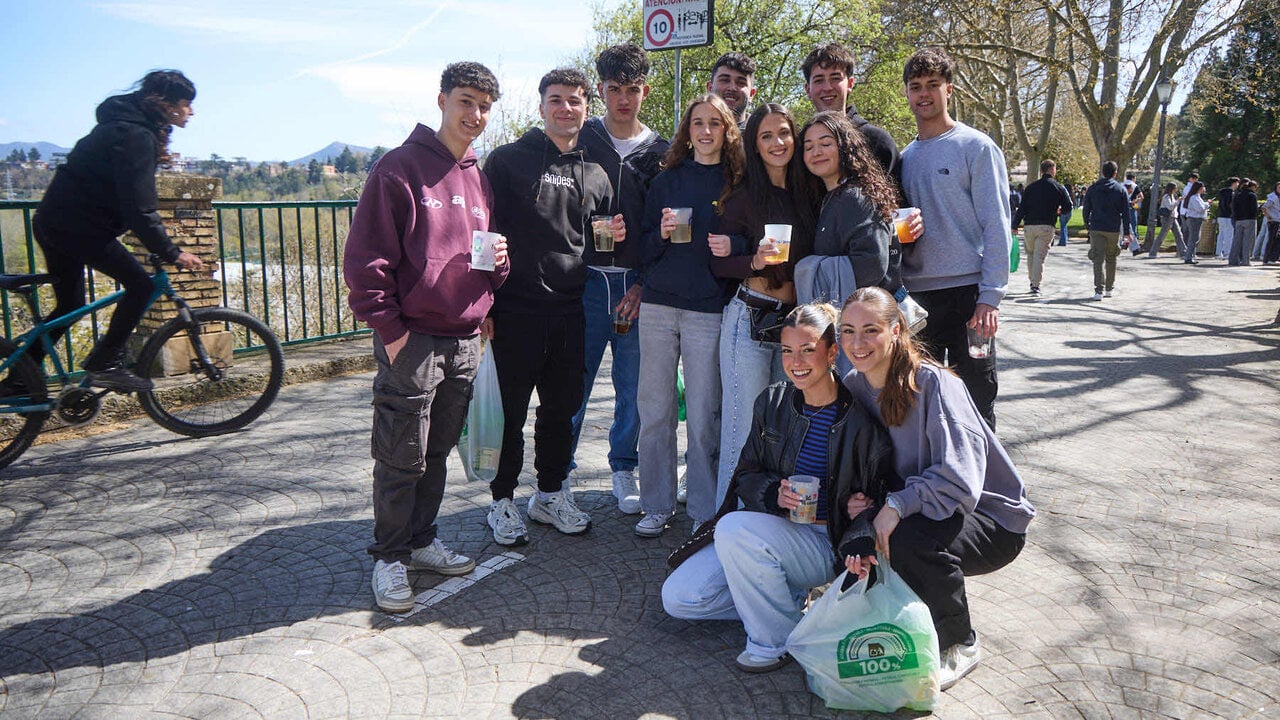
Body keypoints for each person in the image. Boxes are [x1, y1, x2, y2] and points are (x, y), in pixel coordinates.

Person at [344, 62, 508, 612]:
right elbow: (367, 259)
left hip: (464, 338)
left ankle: (420, 541)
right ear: (442, 101)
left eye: (485, 106)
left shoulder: (478, 176)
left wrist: (496, 276)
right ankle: (389, 557)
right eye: (466, 102)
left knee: (436, 452)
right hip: (411, 340)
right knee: (400, 455)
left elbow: (480, 260)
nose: (475, 115)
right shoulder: (399, 168)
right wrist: (389, 332)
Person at [662, 302, 897, 673]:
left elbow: (876, 498)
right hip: (771, 529)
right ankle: (787, 606)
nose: (796, 361)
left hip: (821, 540)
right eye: (788, 351)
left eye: (808, 349)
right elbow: (746, 474)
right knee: (680, 598)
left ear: (832, 352)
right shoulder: (773, 402)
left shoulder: (859, 424)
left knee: (734, 528)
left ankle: (772, 641)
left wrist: (860, 526)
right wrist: (773, 493)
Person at [839, 286, 1035, 691]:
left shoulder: (934, 384)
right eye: (847, 330)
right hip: (927, 508)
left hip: (990, 518)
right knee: (859, 529)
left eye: (871, 329)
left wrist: (895, 505)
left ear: (897, 330)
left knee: (906, 538)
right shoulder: (855, 386)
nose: (857, 343)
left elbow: (959, 481)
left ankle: (960, 642)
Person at [482, 68, 623, 547]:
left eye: (576, 101)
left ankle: (549, 494)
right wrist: (483, 306)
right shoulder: (506, 162)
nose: (566, 108)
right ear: (541, 106)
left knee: (561, 413)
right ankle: (502, 500)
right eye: (557, 100)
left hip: (571, 311)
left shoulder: (596, 174)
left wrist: (614, 238)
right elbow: (483, 236)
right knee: (511, 413)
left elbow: (599, 245)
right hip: (515, 310)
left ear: (588, 108)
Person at [32, 70, 205, 391]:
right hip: (79, 228)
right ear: (166, 105)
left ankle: (19, 378)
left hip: (54, 221)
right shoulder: (135, 136)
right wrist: (172, 252)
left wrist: (158, 243)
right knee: (141, 287)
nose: (191, 112)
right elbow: (139, 207)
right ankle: (105, 361)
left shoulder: (121, 126)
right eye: (186, 104)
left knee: (70, 305)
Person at [635, 94, 744, 537]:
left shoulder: (737, 183)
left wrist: (735, 247)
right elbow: (640, 251)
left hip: (708, 311)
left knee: (703, 417)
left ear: (726, 131)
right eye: (697, 123)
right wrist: (659, 235)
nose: (704, 131)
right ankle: (656, 505)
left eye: (714, 124)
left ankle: (702, 508)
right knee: (655, 412)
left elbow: (750, 240)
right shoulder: (666, 180)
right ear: (687, 130)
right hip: (658, 307)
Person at [572, 43, 671, 515]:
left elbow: (665, 231)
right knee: (574, 382)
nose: (624, 99)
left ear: (645, 91)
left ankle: (622, 468)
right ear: (601, 91)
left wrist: (644, 283)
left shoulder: (662, 152)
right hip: (587, 282)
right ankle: (559, 473)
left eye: (633, 89)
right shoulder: (581, 140)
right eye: (614, 89)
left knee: (634, 386)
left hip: (635, 284)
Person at [897, 47, 1010, 430]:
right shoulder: (904, 157)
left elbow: (997, 224)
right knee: (917, 400)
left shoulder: (976, 148)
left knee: (976, 401)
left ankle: (985, 486)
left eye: (933, 85)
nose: (924, 94)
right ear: (907, 94)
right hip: (917, 300)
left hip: (968, 297)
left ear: (950, 89)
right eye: (916, 86)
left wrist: (990, 296)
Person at [710, 103, 814, 505]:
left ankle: (765, 522)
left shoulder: (809, 193)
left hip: (794, 327)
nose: (777, 142)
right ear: (754, 144)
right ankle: (722, 525)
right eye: (766, 135)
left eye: (784, 133)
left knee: (785, 431)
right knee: (741, 431)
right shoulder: (743, 197)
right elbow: (716, 263)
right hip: (749, 318)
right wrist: (753, 260)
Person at [794, 111, 899, 341]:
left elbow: (872, 264)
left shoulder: (854, 197)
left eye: (825, 143)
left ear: (844, 147)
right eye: (809, 147)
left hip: (866, 330)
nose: (816, 152)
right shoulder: (829, 197)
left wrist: (809, 267)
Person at [800, 42, 900, 179]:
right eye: (819, 80)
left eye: (835, 78)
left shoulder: (877, 142)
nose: (827, 87)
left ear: (850, 84)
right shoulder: (801, 147)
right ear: (808, 89)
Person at [1013, 159, 1073, 294]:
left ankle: (1032, 279)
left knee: (1031, 254)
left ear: (1041, 171)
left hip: (1029, 225)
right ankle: (1035, 284)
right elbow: (1068, 206)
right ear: (1052, 170)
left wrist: (1015, 225)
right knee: (1039, 256)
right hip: (1046, 224)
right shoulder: (1058, 187)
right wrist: (1060, 211)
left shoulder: (1031, 188)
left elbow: (1022, 208)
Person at [1082, 161, 1134, 301]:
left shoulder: (1093, 188)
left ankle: (1098, 289)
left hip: (1097, 226)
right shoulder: (1120, 189)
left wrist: (1087, 224)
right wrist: (1127, 231)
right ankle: (1109, 288)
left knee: (1097, 258)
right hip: (1113, 227)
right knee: (1111, 257)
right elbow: (1126, 212)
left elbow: (1086, 207)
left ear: (1102, 172)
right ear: (1115, 173)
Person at [706, 52, 757, 126]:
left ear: (751, 94)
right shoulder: (691, 134)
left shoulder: (761, 135)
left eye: (740, 83)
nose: (732, 88)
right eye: (725, 80)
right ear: (709, 88)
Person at [1148, 182, 1185, 258]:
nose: (1176, 190)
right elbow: (1170, 207)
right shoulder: (1166, 197)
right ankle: (1152, 252)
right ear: (1172, 189)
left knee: (1179, 235)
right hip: (1167, 218)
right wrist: (1178, 201)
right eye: (1175, 188)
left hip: (1173, 218)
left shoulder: (1172, 196)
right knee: (1162, 235)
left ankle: (1183, 252)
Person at [1228, 178, 1258, 266]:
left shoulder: (1237, 195)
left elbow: (1234, 207)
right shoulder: (1252, 195)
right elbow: (1254, 209)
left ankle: (1233, 260)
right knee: (1247, 242)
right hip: (1249, 219)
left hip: (1238, 220)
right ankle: (1245, 261)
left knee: (1236, 241)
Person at [1181, 181, 1210, 265]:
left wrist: (1206, 204)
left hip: (1197, 219)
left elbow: (1201, 206)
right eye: (1202, 188)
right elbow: (1199, 208)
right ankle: (1188, 257)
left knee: (1195, 239)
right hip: (1194, 219)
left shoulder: (1197, 197)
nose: (1204, 189)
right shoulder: (1193, 197)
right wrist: (1207, 204)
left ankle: (1192, 256)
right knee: (1193, 239)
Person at [1215, 177, 1238, 259]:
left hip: (1220, 215)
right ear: (1234, 183)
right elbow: (1230, 205)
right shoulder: (1231, 193)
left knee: (1221, 234)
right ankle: (1227, 253)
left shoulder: (1222, 192)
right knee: (1229, 235)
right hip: (1228, 216)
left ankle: (1218, 253)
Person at [1123, 172, 1143, 255]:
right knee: (1133, 226)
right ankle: (1135, 246)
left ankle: (1125, 243)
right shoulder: (1134, 185)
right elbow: (1141, 197)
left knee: (1124, 227)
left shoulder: (1121, 184)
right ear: (1133, 178)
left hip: (1122, 208)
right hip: (1131, 207)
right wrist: (1136, 203)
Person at [1263, 182, 1280, 264]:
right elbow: (1264, 207)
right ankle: (1268, 258)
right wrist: (1269, 217)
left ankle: (1273, 258)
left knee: (1277, 241)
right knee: (1272, 240)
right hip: (1274, 221)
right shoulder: (1273, 197)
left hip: (1278, 221)